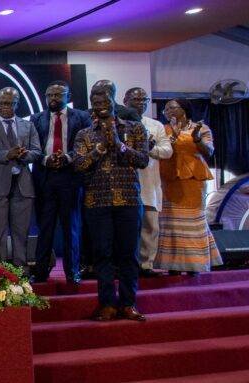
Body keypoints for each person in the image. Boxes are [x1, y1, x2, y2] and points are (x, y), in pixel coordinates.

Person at [73, 90, 149, 322]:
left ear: (113, 103)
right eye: (96, 102)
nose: (101, 105)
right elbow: (79, 164)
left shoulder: (134, 128)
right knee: (102, 255)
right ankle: (106, 304)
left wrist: (119, 145)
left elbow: (143, 160)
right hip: (97, 201)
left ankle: (128, 303)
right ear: (92, 106)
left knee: (129, 255)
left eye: (105, 101)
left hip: (128, 200)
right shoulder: (84, 134)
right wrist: (100, 149)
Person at [29, 81, 92, 284]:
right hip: (44, 177)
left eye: (58, 95)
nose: (53, 99)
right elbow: (33, 147)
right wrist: (44, 159)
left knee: (70, 227)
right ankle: (40, 271)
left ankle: (72, 271)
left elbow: (87, 145)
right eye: (49, 95)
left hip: (70, 177)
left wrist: (69, 157)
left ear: (68, 95)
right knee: (44, 227)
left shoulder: (82, 117)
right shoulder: (36, 118)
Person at [0, 88, 43, 269]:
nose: (5, 107)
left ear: (17, 104)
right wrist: (7, 154)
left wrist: (24, 155)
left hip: (23, 185)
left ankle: (21, 270)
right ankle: (2, 270)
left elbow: (37, 153)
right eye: (2, 103)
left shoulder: (27, 125)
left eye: (10, 103)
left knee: (21, 232)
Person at [155, 99, 223, 275]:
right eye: (166, 108)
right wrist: (174, 134)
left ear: (183, 109)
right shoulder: (163, 129)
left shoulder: (201, 128)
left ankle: (195, 265)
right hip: (169, 180)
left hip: (193, 180)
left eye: (172, 107)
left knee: (193, 222)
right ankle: (173, 266)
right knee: (171, 225)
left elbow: (209, 151)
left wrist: (197, 139)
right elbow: (161, 150)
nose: (168, 110)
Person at [124, 88, 173, 277]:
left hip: (149, 184)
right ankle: (128, 265)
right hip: (126, 184)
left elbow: (167, 151)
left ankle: (146, 265)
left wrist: (149, 149)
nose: (141, 103)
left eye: (144, 100)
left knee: (150, 226)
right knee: (128, 229)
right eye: (136, 99)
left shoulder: (155, 125)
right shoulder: (120, 124)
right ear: (125, 100)